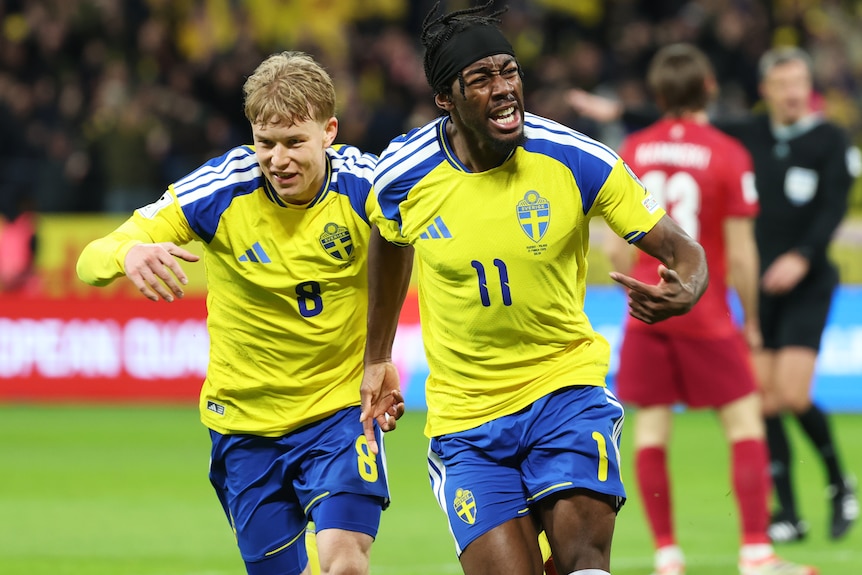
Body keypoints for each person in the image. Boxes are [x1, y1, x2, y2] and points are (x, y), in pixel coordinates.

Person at [358, 3, 708, 575]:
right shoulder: (403, 174)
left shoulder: (575, 158)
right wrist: (377, 356)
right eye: (482, 78)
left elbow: (684, 251)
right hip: (466, 419)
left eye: (510, 72)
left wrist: (687, 288)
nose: (504, 89)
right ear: (446, 99)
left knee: (583, 563)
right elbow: (389, 240)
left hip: (564, 392)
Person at [76, 51, 404, 575]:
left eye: (295, 142)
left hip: (339, 413)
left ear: (330, 132)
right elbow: (88, 262)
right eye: (265, 143)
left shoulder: (371, 185)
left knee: (344, 562)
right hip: (244, 426)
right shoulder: (219, 190)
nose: (278, 160)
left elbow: (415, 247)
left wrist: (380, 356)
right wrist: (128, 252)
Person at [568, 45, 859, 544]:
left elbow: (833, 206)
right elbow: (685, 120)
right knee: (759, 406)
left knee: (786, 395)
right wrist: (616, 111)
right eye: (782, 83)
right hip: (743, 292)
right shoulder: (742, 137)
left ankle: (837, 485)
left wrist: (804, 255)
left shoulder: (829, 138)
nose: (791, 93)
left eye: (798, 83)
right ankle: (779, 519)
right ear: (762, 91)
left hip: (801, 282)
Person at [608, 43, 816, 575]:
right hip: (704, 313)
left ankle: (668, 557)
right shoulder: (727, 153)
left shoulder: (632, 148)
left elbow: (614, 247)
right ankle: (755, 552)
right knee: (744, 423)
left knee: (652, 431)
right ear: (709, 89)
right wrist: (749, 321)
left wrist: (634, 290)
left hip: (648, 310)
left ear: (656, 95)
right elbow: (741, 253)